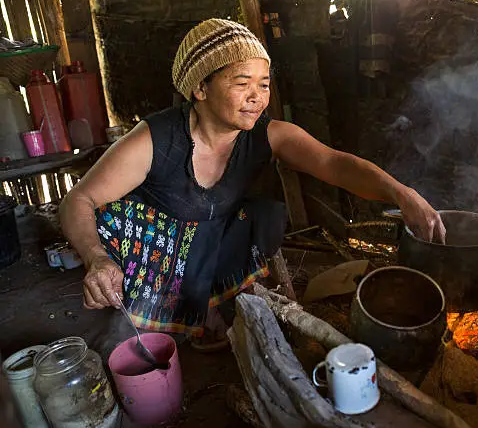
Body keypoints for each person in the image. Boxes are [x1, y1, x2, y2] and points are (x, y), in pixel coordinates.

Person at [59, 18, 445, 352]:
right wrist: (97, 258)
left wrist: (401, 192)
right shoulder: (155, 139)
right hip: (155, 243)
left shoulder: (269, 135)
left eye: (263, 84)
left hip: (209, 231)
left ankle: (205, 303)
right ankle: (171, 305)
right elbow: (80, 198)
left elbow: (333, 163)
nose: (256, 97)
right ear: (200, 88)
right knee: (126, 322)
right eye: (242, 82)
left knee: (262, 217)